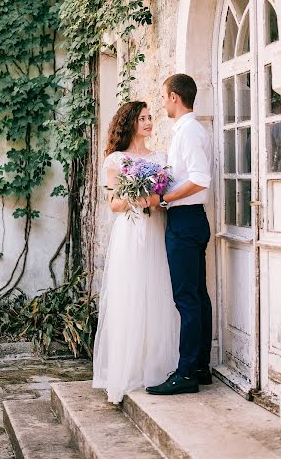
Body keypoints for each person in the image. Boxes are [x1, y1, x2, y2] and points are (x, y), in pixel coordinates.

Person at [92, 101, 179, 404]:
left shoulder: (161, 158)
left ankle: (157, 366)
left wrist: (155, 198)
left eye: (150, 117)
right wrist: (135, 197)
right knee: (131, 293)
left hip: (157, 229)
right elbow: (114, 204)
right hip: (130, 232)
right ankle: (129, 368)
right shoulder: (116, 160)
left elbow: (166, 196)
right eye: (141, 118)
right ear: (129, 123)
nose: (148, 122)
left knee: (158, 291)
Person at [141, 74, 213, 395]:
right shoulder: (189, 131)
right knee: (197, 296)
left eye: (163, 97)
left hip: (185, 221)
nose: (162, 103)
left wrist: (163, 198)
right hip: (191, 219)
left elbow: (200, 179)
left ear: (174, 97)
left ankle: (186, 373)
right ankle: (199, 367)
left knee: (187, 299)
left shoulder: (189, 132)